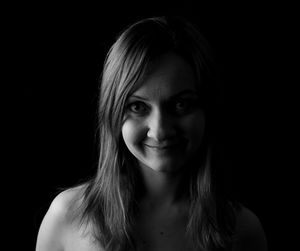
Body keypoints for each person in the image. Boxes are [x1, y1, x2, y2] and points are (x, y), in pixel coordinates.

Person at [35, 16, 268, 251]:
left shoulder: (242, 230)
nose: (160, 131)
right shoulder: (67, 216)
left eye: (181, 104)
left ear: (208, 109)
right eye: (138, 107)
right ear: (112, 113)